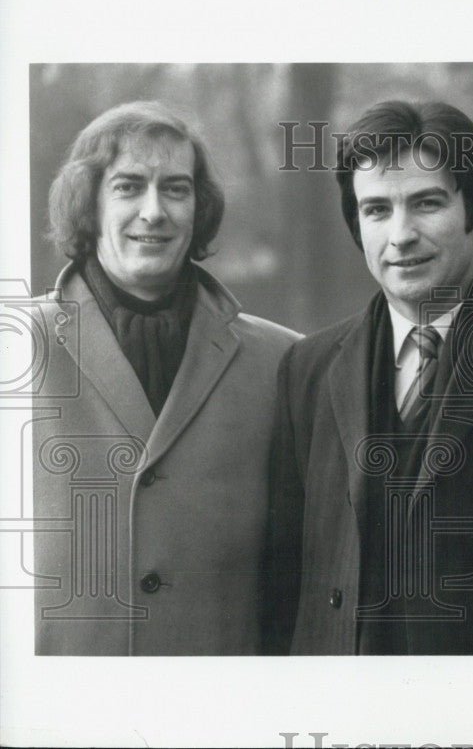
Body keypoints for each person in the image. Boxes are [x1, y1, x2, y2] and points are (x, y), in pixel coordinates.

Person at [263, 100, 473, 654]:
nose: (401, 235)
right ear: (357, 225)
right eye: (376, 210)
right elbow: (284, 578)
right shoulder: (308, 368)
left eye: (426, 203)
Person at [33, 100, 300, 655]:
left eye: (176, 189)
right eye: (128, 187)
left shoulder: (284, 361)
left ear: (199, 207)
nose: (154, 211)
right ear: (88, 204)